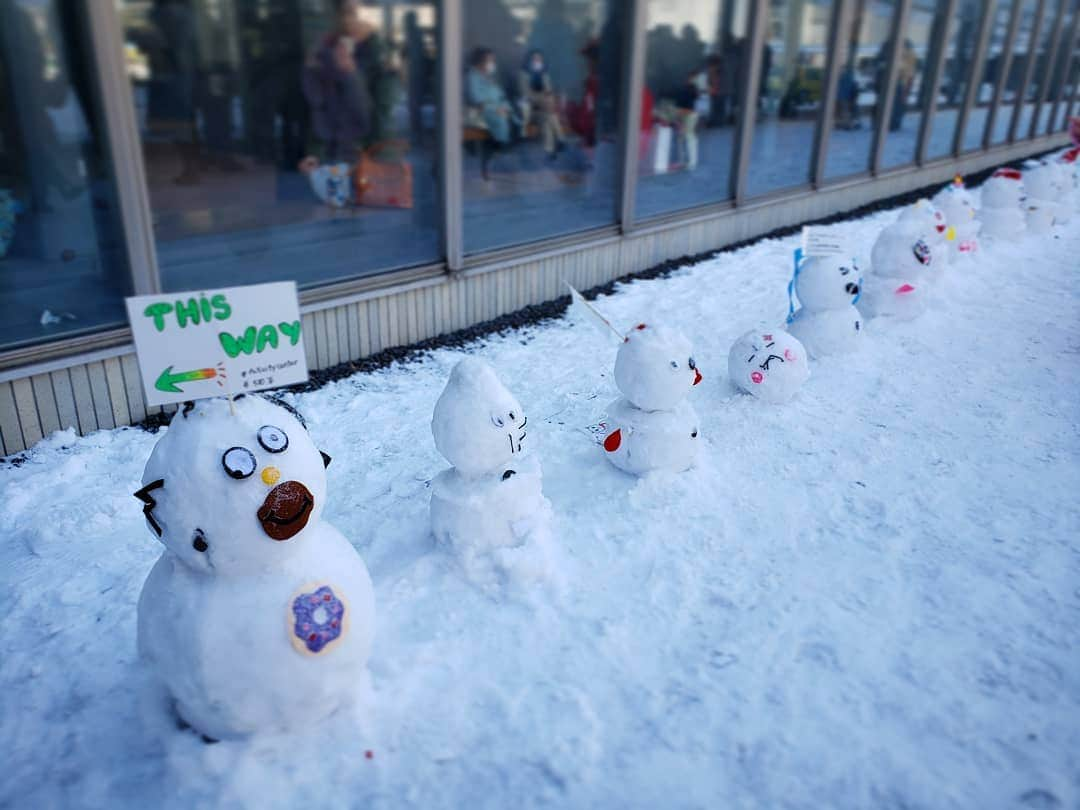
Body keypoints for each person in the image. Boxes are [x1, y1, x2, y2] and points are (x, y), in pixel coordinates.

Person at [299, 0, 395, 172]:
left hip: (363, 149)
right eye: (344, 13)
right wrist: (311, 69)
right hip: (330, 147)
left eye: (354, 13)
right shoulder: (326, 45)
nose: (348, 20)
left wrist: (351, 74)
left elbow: (374, 112)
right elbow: (316, 102)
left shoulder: (375, 50)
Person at [517, 49, 565, 160]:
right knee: (548, 110)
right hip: (528, 109)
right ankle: (561, 138)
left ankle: (550, 150)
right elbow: (525, 93)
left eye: (539, 59)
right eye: (535, 59)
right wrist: (542, 98)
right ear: (529, 60)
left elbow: (549, 90)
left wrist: (547, 97)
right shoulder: (523, 74)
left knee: (548, 118)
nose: (537, 61)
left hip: (543, 109)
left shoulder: (544, 74)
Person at [466, 47, 514, 145]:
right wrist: (496, 109)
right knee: (500, 120)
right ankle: (500, 144)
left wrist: (505, 107)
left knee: (515, 115)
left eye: (493, 60)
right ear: (480, 62)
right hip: (482, 111)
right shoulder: (472, 78)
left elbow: (501, 96)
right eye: (489, 60)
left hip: (498, 108)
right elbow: (477, 101)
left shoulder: (490, 77)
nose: (492, 63)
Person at [891, 39, 917, 132]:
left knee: (897, 103)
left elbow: (907, 70)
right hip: (904, 81)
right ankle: (895, 123)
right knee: (900, 103)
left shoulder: (906, 55)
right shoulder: (911, 55)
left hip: (900, 81)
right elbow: (911, 72)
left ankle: (893, 123)